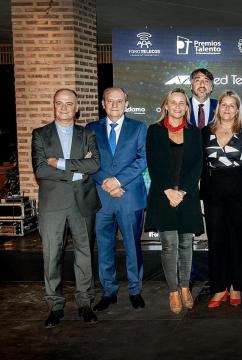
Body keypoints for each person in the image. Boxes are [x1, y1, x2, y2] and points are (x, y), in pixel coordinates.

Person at [31, 88, 101, 327]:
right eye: (59, 103)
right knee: (52, 257)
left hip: (82, 204)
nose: (63, 108)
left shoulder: (87, 134)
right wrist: (74, 172)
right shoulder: (40, 134)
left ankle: (85, 304)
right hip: (52, 207)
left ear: (76, 107)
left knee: (85, 256)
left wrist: (59, 163)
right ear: (54, 106)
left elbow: (94, 164)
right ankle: (55, 306)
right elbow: (40, 169)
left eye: (68, 104)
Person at [86, 87, 148, 312]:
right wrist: (106, 182)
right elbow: (89, 161)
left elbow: (142, 160)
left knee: (132, 246)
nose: (114, 105)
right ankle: (108, 291)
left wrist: (118, 182)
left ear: (126, 103)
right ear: (103, 103)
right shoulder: (91, 129)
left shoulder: (139, 128)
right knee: (104, 246)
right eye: (110, 101)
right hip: (102, 198)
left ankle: (135, 290)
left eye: (119, 101)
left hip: (129, 196)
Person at [145, 88, 203, 314]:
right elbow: (154, 165)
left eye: (182, 103)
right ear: (166, 106)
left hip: (187, 197)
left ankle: (186, 288)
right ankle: (173, 291)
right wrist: (169, 191)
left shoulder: (194, 133)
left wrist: (183, 192)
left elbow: (196, 166)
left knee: (186, 244)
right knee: (169, 245)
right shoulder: (154, 131)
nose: (178, 107)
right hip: (162, 196)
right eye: (173, 102)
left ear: (186, 108)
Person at [201, 90, 242, 308]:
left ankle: (237, 286)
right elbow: (201, 166)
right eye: (223, 105)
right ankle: (218, 287)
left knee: (240, 240)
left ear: (237, 109)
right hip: (213, 195)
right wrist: (201, 195)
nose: (226, 109)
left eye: (231, 105)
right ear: (218, 108)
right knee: (216, 240)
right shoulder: (206, 131)